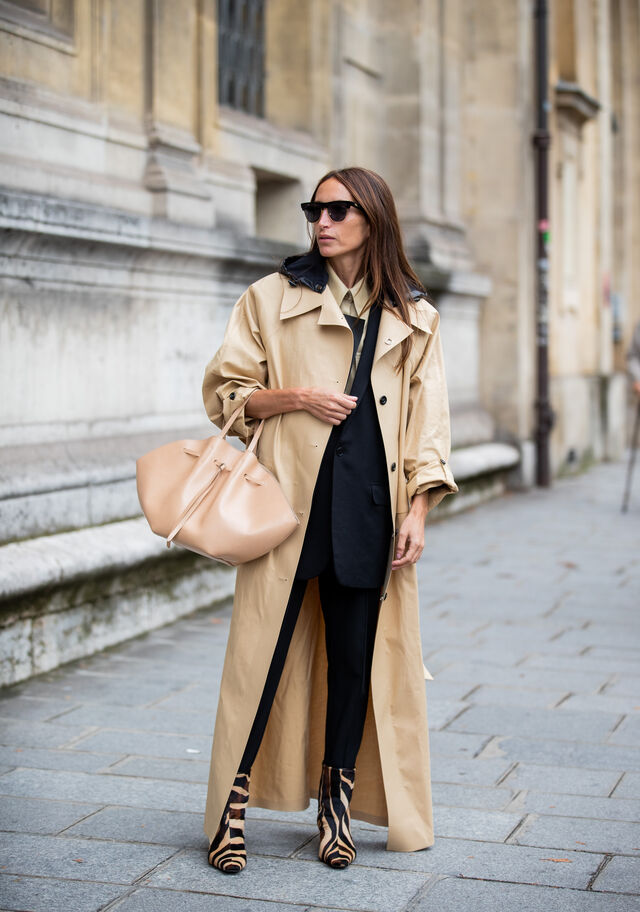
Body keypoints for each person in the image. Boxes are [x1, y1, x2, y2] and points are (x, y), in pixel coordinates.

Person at [201, 166, 458, 874]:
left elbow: (430, 425)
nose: (322, 220)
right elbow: (225, 393)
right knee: (263, 658)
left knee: (355, 662)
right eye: (315, 208)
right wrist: (295, 398)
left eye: (339, 209)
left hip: (371, 510)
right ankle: (230, 808)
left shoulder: (415, 315)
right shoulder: (271, 297)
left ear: (372, 217)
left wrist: (420, 510)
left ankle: (335, 808)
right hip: (287, 507)